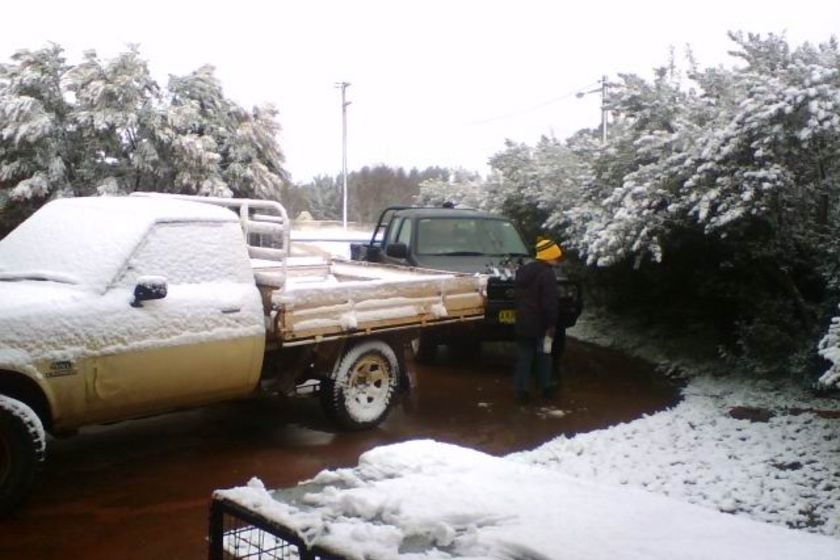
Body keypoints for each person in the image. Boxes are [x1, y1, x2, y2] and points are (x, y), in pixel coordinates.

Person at [513, 237, 564, 404]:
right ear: (548, 256)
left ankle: (521, 391)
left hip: (523, 321)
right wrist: (552, 323)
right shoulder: (547, 274)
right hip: (542, 324)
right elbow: (549, 302)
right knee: (544, 354)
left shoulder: (523, 271)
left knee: (524, 356)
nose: (557, 260)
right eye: (555, 257)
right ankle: (546, 387)